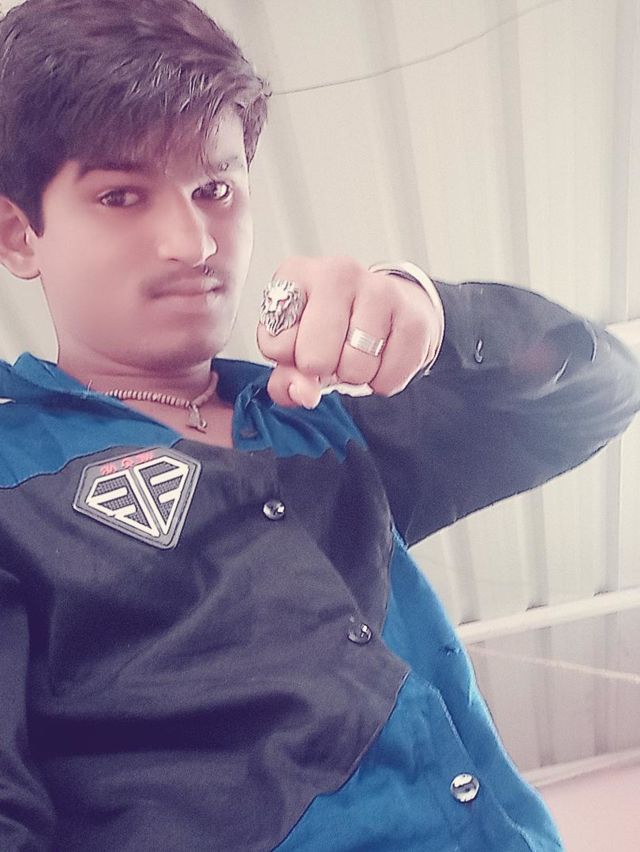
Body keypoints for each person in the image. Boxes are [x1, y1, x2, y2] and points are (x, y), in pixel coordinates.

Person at [0, 1, 637, 849]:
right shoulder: (13, 477)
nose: (192, 242)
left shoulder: (322, 422)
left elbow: (598, 394)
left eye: (214, 190)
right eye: (120, 195)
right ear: (19, 234)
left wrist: (435, 316)